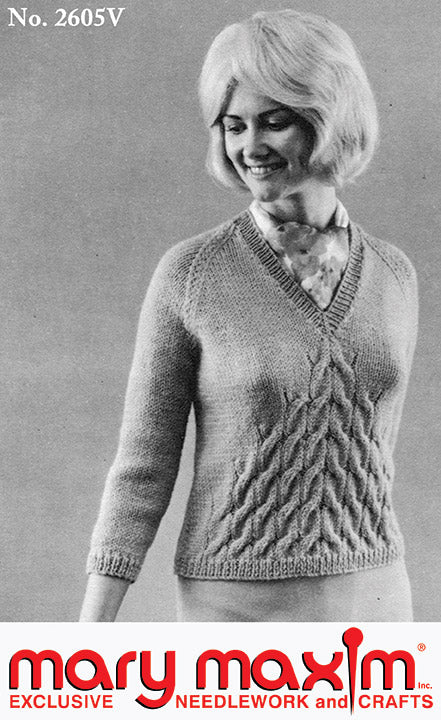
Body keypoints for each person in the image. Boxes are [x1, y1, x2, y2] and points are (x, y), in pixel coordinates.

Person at [80, 9, 418, 622]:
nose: (249, 147)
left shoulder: (395, 276)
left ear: (329, 120)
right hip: (234, 602)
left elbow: (370, 456)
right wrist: (90, 631)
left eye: (274, 122)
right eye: (233, 126)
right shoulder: (192, 275)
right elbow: (142, 465)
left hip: (374, 596)